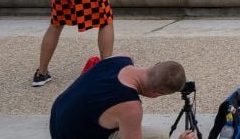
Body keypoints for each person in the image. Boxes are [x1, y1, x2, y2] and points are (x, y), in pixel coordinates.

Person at [49, 55, 194, 139]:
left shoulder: (121, 58)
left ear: (157, 64)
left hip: (57, 122)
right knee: (160, 136)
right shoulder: (130, 107)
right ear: (157, 94)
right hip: (71, 135)